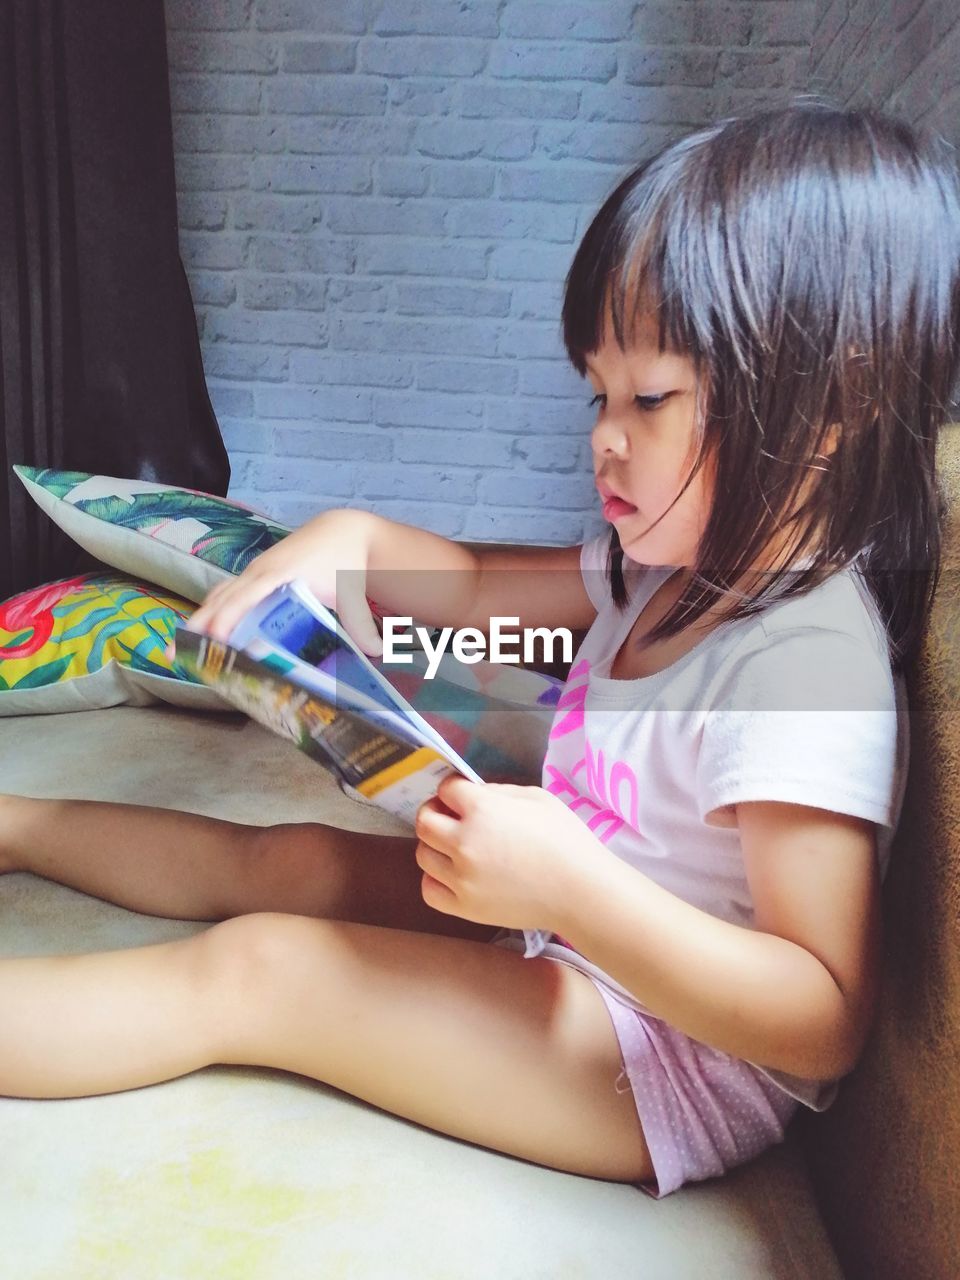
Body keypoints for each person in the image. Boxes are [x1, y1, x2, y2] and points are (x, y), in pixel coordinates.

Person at [1, 97, 958, 1199]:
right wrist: (344, 543)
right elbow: (459, 583)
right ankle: (17, 824)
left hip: (667, 1053)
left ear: (833, 398)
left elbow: (822, 1014)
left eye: (649, 396)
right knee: (293, 858)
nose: (603, 433)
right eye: (599, 391)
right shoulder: (662, 567)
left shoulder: (806, 656)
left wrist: (573, 886)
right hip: (557, 923)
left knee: (267, 968)